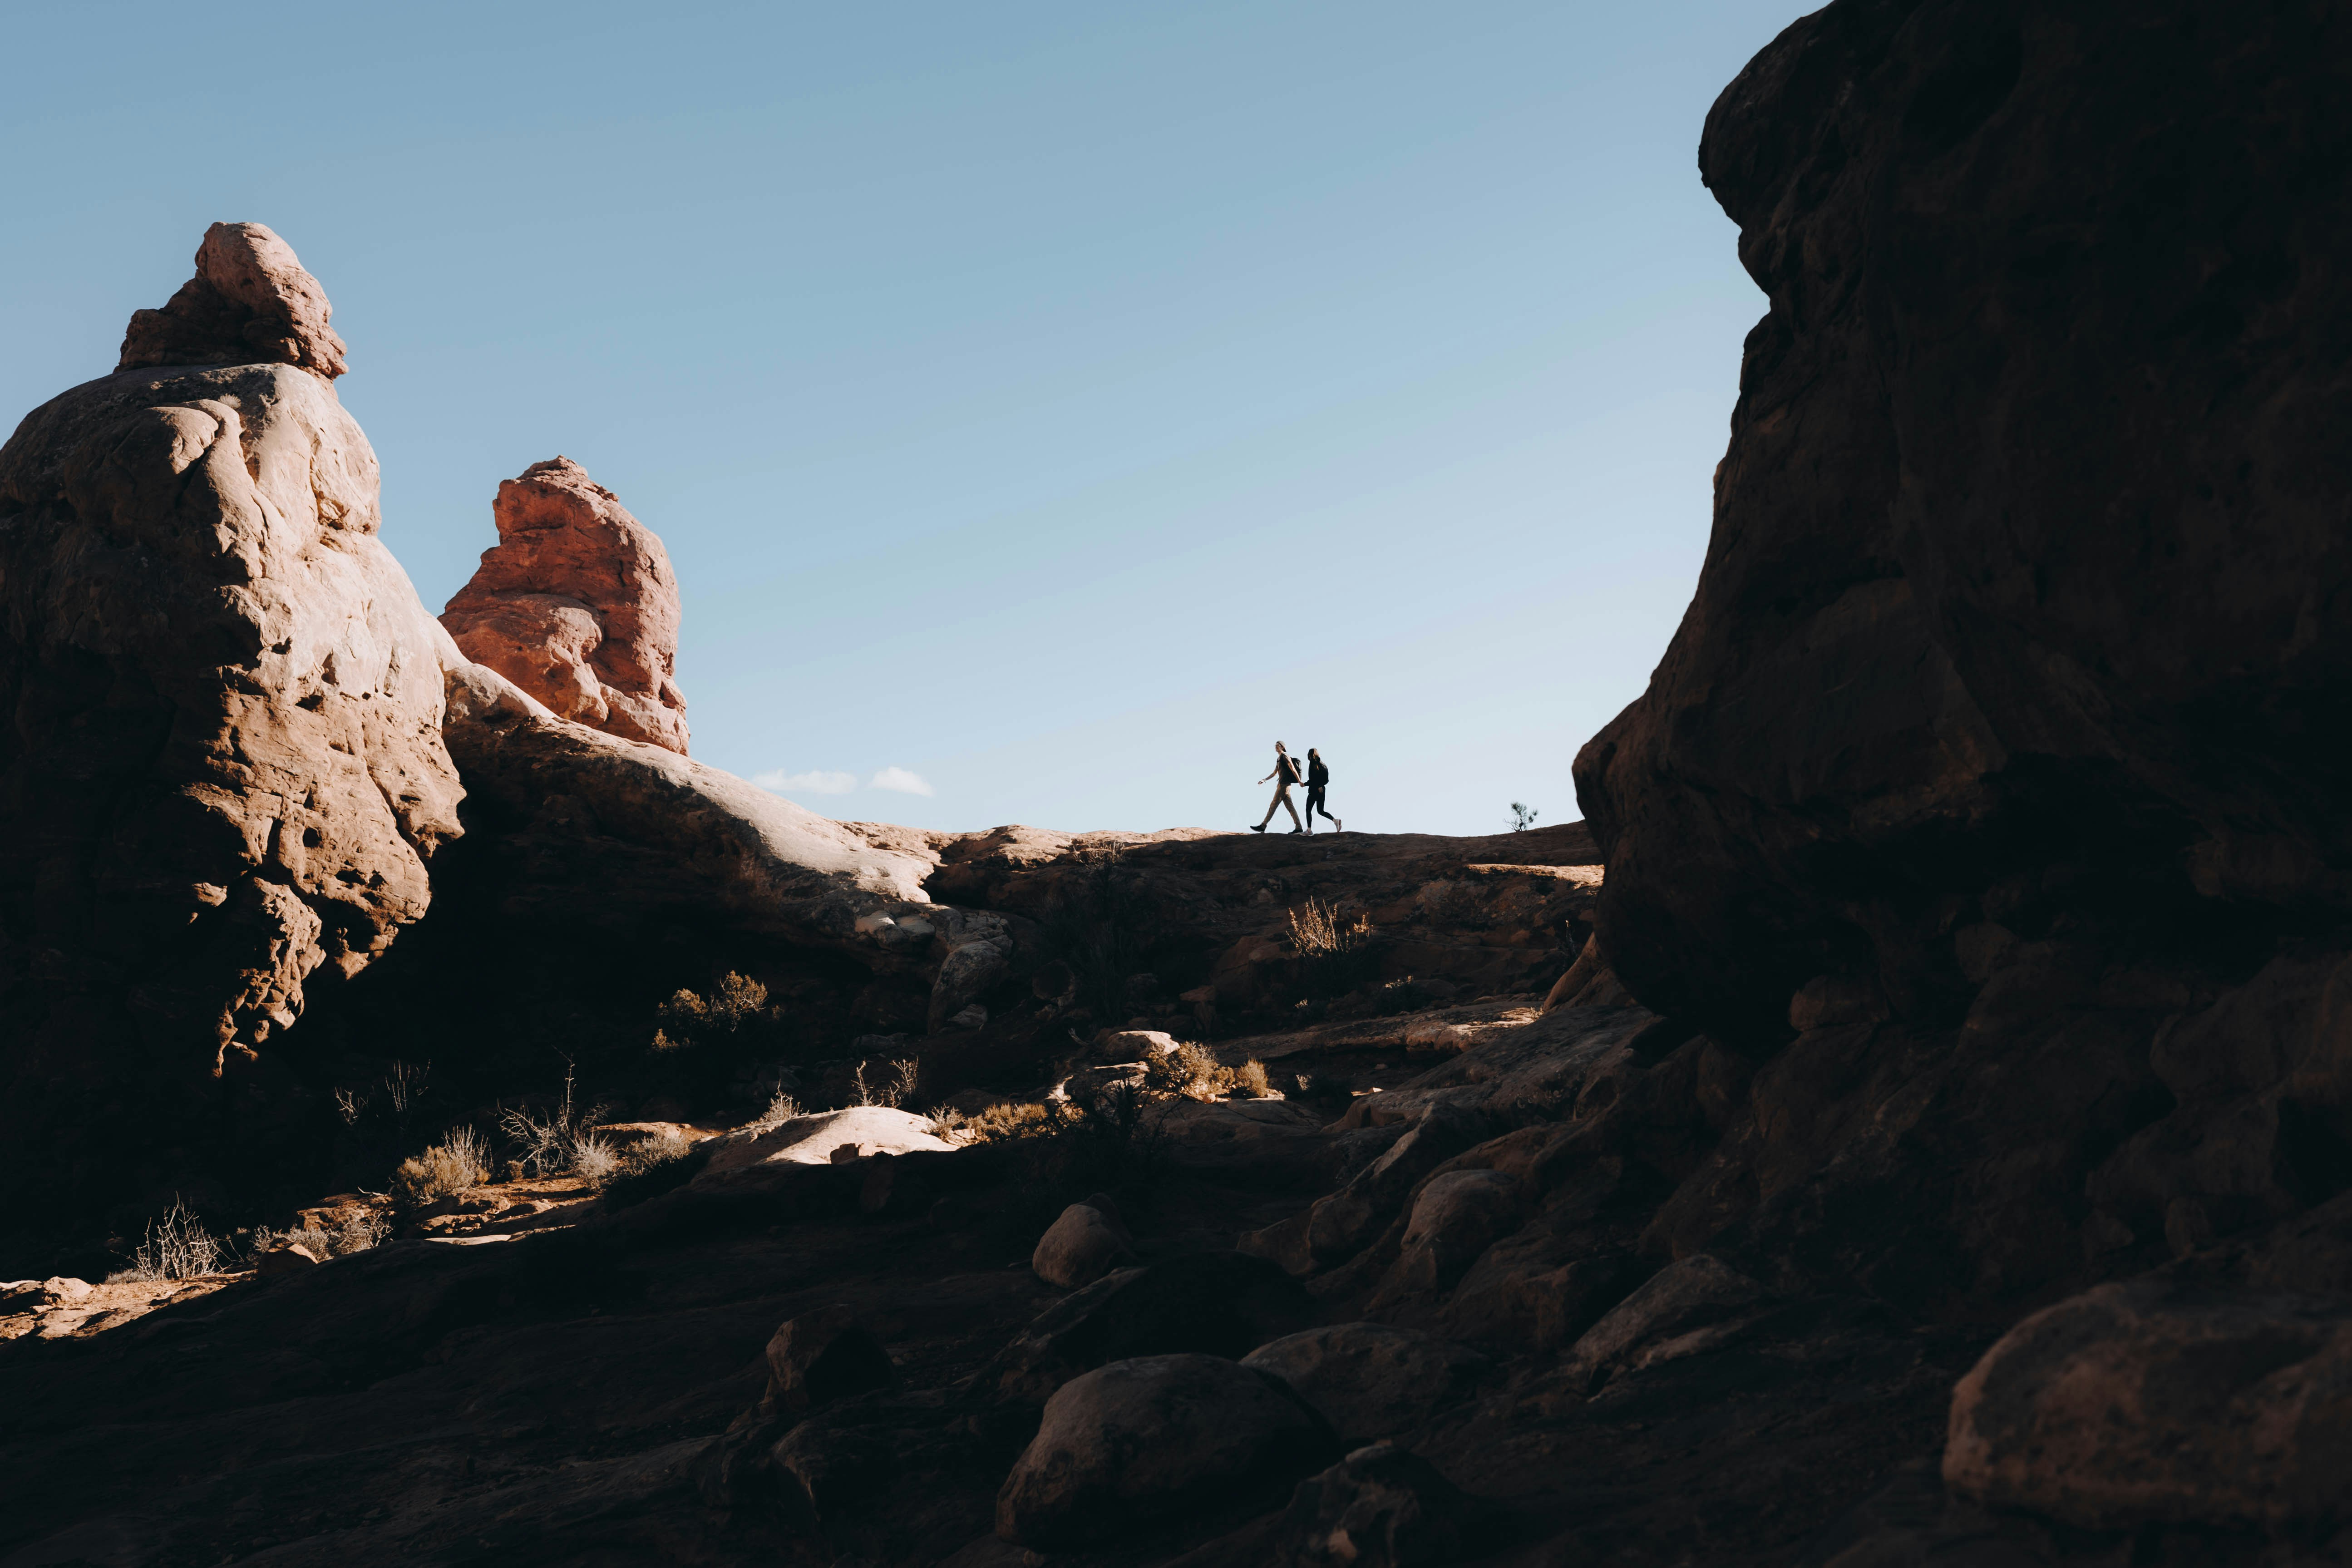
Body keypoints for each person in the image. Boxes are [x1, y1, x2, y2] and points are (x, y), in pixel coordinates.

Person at [1251, 741, 1303, 833]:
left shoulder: (1285, 756)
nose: (1275, 747)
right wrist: (1265, 780)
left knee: (1274, 805)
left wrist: (1299, 781)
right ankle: (1299, 827)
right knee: (1290, 807)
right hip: (1282, 785)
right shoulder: (1279, 759)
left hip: (1284, 786)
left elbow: (1293, 768)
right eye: (1275, 745)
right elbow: (1274, 773)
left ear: (1282, 747)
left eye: (1277, 745)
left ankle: (1263, 826)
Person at [1303, 747, 1340, 833]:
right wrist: (1320, 786)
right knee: (1320, 811)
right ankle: (1335, 821)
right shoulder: (1322, 764)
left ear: (1310, 755)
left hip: (1314, 790)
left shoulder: (1313, 763)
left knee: (1308, 810)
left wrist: (1305, 784)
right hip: (1322, 790)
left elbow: (1314, 778)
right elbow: (1326, 779)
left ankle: (1309, 830)